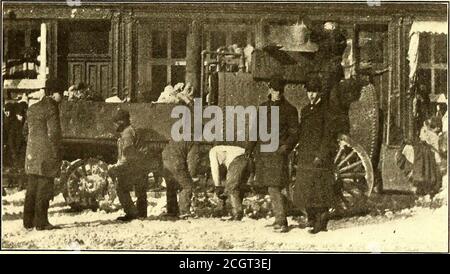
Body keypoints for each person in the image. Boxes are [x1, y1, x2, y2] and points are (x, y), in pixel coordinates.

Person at [246, 77, 299, 233]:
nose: (277, 93)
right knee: (270, 186)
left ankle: (281, 221)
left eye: (280, 91)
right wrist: (249, 147)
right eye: (275, 90)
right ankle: (279, 216)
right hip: (263, 153)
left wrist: (286, 147)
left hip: (278, 153)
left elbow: (295, 133)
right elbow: (256, 130)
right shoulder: (263, 108)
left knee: (274, 186)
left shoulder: (290, 109)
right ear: (269, 90)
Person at [294, 77, 338, 234]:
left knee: (319, 190)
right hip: (305, 155)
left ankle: (321, 222)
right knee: (306, 188)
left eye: (314, 92)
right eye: (309, 92)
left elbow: (328, 136)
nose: (311, 95)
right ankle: (311, 219)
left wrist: (321, 155)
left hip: (319, 156)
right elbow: (301, 132)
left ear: (319, 92)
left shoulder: (327, 110)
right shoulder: (305, 110)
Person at [23, 79, 62, 230]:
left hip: (32, 152)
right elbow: (54, 133)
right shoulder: (51, 108)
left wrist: (34, 145)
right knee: (44, 187)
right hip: (47, 153)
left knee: (32, 186)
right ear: (53, 94)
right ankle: (41, 222)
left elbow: (25, 131)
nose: (62, 97)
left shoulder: (32, 108)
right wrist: (56, 152)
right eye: (61, 93)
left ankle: (28, 221)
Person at [107, 109, 149, 221]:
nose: (114, 126)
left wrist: (116, 167)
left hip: (133, 165)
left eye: (115, 123)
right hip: (141, 164)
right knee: (140, 190)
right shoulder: (132, 130)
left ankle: (131, 213)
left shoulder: (127, 134)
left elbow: (128, 154)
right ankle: (142, 214)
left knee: (121, 187)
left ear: (121, 122)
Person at [209, 145, 253, 220]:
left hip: (238, 159)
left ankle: (237, 213)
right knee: (239, 186)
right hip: (250, 158)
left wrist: (217, 186)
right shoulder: (224, 150)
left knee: (231, 188)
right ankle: (239, 210)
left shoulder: (212, 152)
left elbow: (215, 169)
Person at [161, 139, 200, 220]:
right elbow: (193, 160)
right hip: (177, 162)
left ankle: (171, 211)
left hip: (165, 162)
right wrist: (192, 176)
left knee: (171, 186)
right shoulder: (194, 142)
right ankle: (184, 211)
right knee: (186, 187)